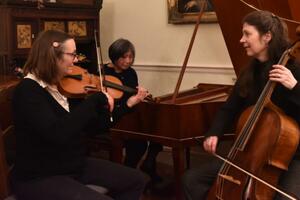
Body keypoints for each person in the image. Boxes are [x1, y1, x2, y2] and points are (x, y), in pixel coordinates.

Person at [11, 30, 146, 200]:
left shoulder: (63, 88)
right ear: (53, 55)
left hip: (72, 164)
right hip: (39, 176)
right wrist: (94, 101)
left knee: (136, 180)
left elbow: (93, 128)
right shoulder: (28, 90)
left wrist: (122, 107)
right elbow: (57, 133)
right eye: (72, 54)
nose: (76, 60)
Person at [182, 10, 300, 200]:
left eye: (247, 34)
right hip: (250, 154)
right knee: (192, 179)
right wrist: (214, 133)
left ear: (267, 37)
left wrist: (294, 87)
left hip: (291, 157)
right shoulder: (250, 71)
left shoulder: (294, 70)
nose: (241, 40)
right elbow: (229, 108)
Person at [103, 38, 164, 185]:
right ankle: (127, 173)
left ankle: (149, 163)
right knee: (139, 142)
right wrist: (130, 103)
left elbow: (132, 95)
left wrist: (139, 96)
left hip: (130, 114)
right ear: (114, 55)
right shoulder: (102, 72)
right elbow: (106, 105)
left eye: (131, 57)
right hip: (112, 116)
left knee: (159, 127)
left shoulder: (131, 73)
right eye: (124, 57)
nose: (128, 61)